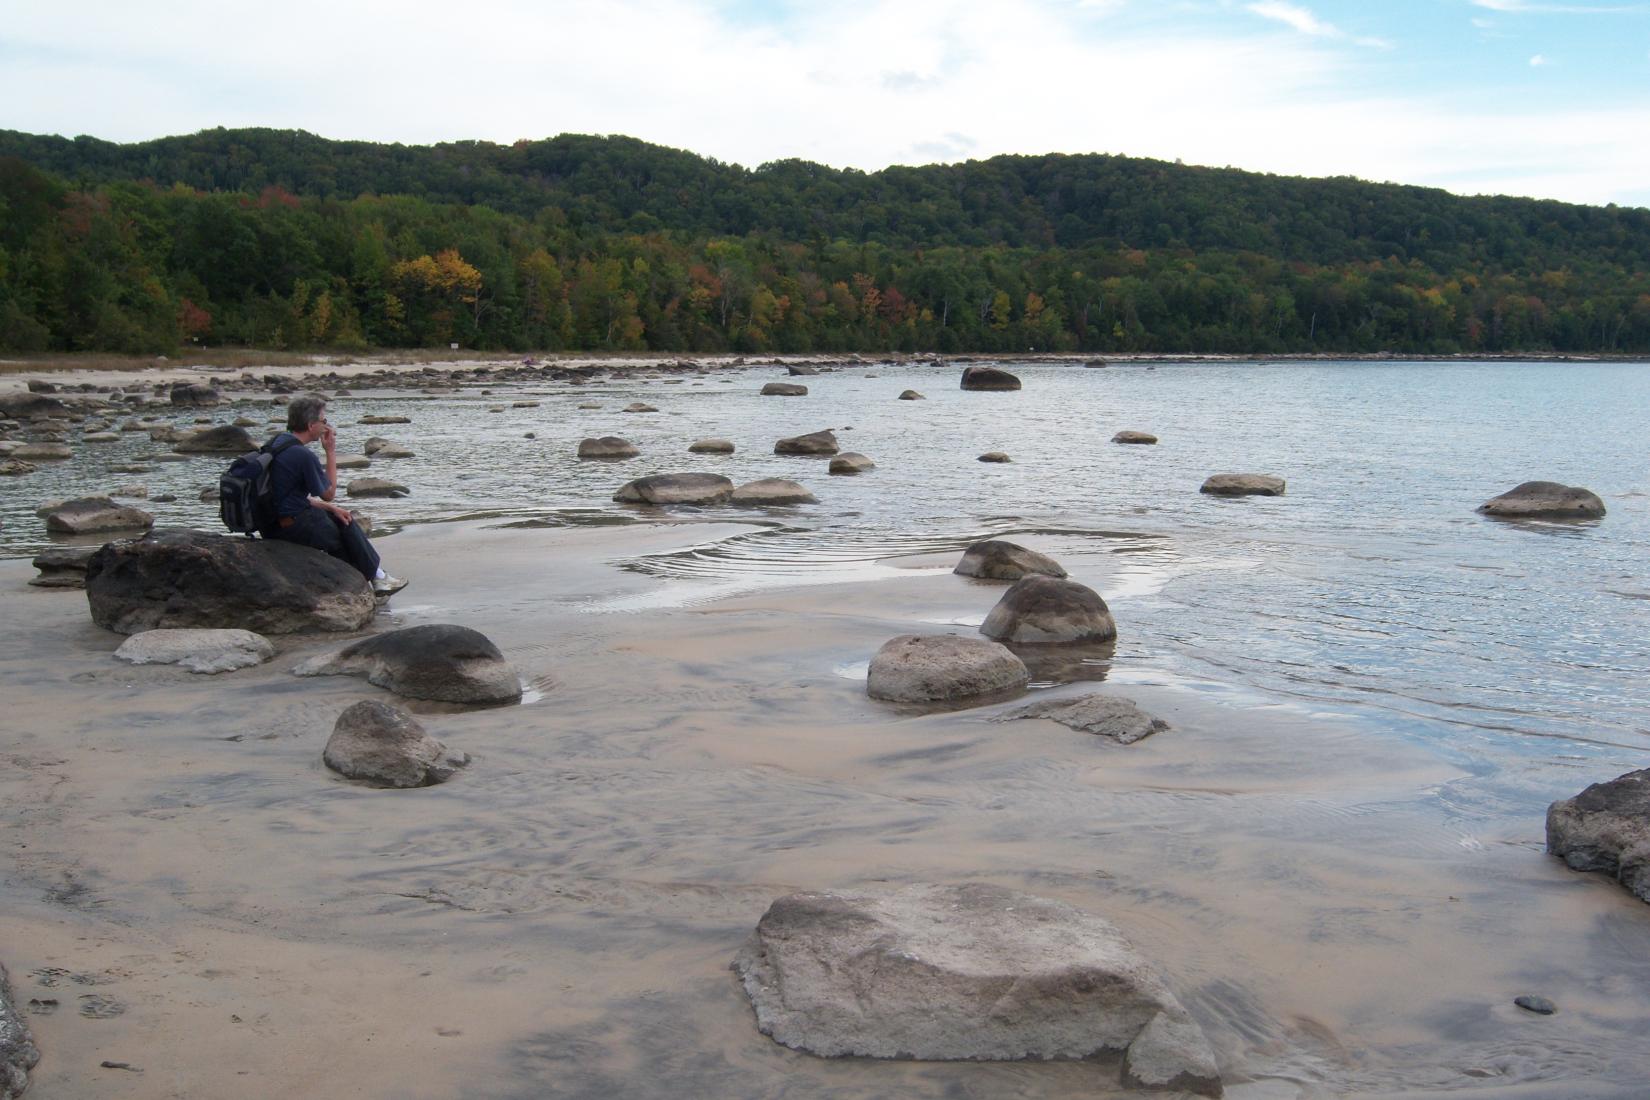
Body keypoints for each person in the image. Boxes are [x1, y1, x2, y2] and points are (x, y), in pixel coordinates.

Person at [265, 395, 407, 597]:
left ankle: (370, 581)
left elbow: (290, 495)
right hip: (292, 526)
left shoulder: (277, 443)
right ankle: (377, 578)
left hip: (271, 522)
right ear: (310, 425)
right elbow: (329, 493)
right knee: (345, 526)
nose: (326, 426)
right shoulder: (302, 455)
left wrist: (332, 508)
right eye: (324, 421)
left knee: (338, 516)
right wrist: (330, 451)